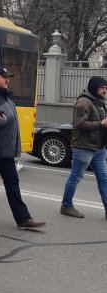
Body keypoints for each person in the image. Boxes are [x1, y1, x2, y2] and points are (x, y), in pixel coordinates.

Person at [0, 66, 46, 230]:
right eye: (4, 76)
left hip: (4, 151)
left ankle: (23, 219)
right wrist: (0, 120)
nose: (8, 79)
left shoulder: (6, 97)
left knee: (12, 183)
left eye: (8, 77)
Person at [60, 75, 107, 219]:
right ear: (94, 87)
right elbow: (79, 124)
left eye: (106, 88)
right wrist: (101, 123)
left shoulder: (99, 102)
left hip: (99, 148)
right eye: (102, 88)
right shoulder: (83, 102)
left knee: (104, 179)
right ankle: (66, 206)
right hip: (84, 147)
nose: (105, 91)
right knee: (76, 177)